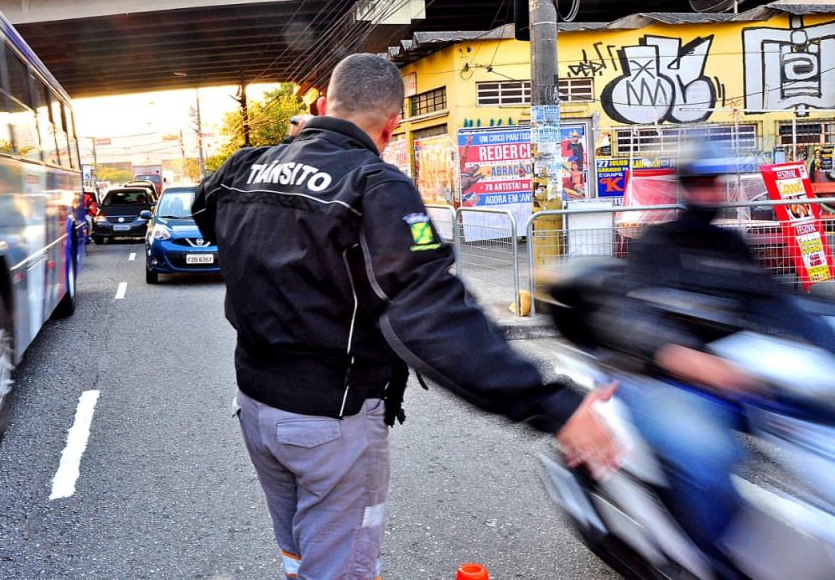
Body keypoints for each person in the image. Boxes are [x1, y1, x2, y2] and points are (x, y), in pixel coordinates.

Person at [193, 53, 618, 580]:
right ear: (392, 125)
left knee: (300, 553)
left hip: (256, 410)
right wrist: (553, 405)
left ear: (322, 106)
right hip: (331, 423)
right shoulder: (375, 186)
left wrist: (285, 157)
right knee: (341, 569)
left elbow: (204, 207)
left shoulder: (244, 167)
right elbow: (433, 312)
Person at [613, 140, 833, 574]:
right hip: (670, 379)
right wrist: (680, 356)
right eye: (698, 183)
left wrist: (823, 339)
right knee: (708, 458)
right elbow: (630, 312)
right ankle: (709, 563)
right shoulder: (654, 245)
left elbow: (775, 302)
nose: (708, 194)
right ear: (682, 187)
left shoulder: (732, 244)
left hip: (744, 373)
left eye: (714, 184)